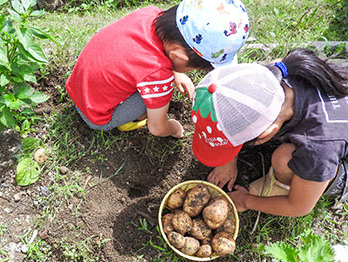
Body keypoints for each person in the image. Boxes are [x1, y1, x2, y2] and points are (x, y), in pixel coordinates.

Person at [190, 48, 348, 217]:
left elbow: (298, 207)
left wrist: (246, 200)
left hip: (335, 151)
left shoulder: (318, 148)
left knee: (283, 160)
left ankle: (295, 185)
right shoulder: (274, 73)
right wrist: (228, 159)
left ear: (267, 133)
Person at [65, 0, 249, 138]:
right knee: (154, 98)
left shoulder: (151, 14)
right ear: (177, 56)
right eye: (193, 68)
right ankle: (122, 119)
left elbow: (147, 51)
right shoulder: (158, 76)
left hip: (77, 86)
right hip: (95, 116)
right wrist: (174, 127)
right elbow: (157, 128)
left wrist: (176, 72)